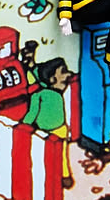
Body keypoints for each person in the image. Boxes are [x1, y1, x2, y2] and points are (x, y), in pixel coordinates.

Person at [21, 58, 74, 188]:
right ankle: (62, 176)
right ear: (52, 79)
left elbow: (31, 115)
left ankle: (64, 176)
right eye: (64, 72)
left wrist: (23, 126)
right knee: (57, 155)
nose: (68, 75)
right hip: (50, 131)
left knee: (59, 154)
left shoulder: (50, 93)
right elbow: (32, 114)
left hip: (58, 130)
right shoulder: (41, 95)